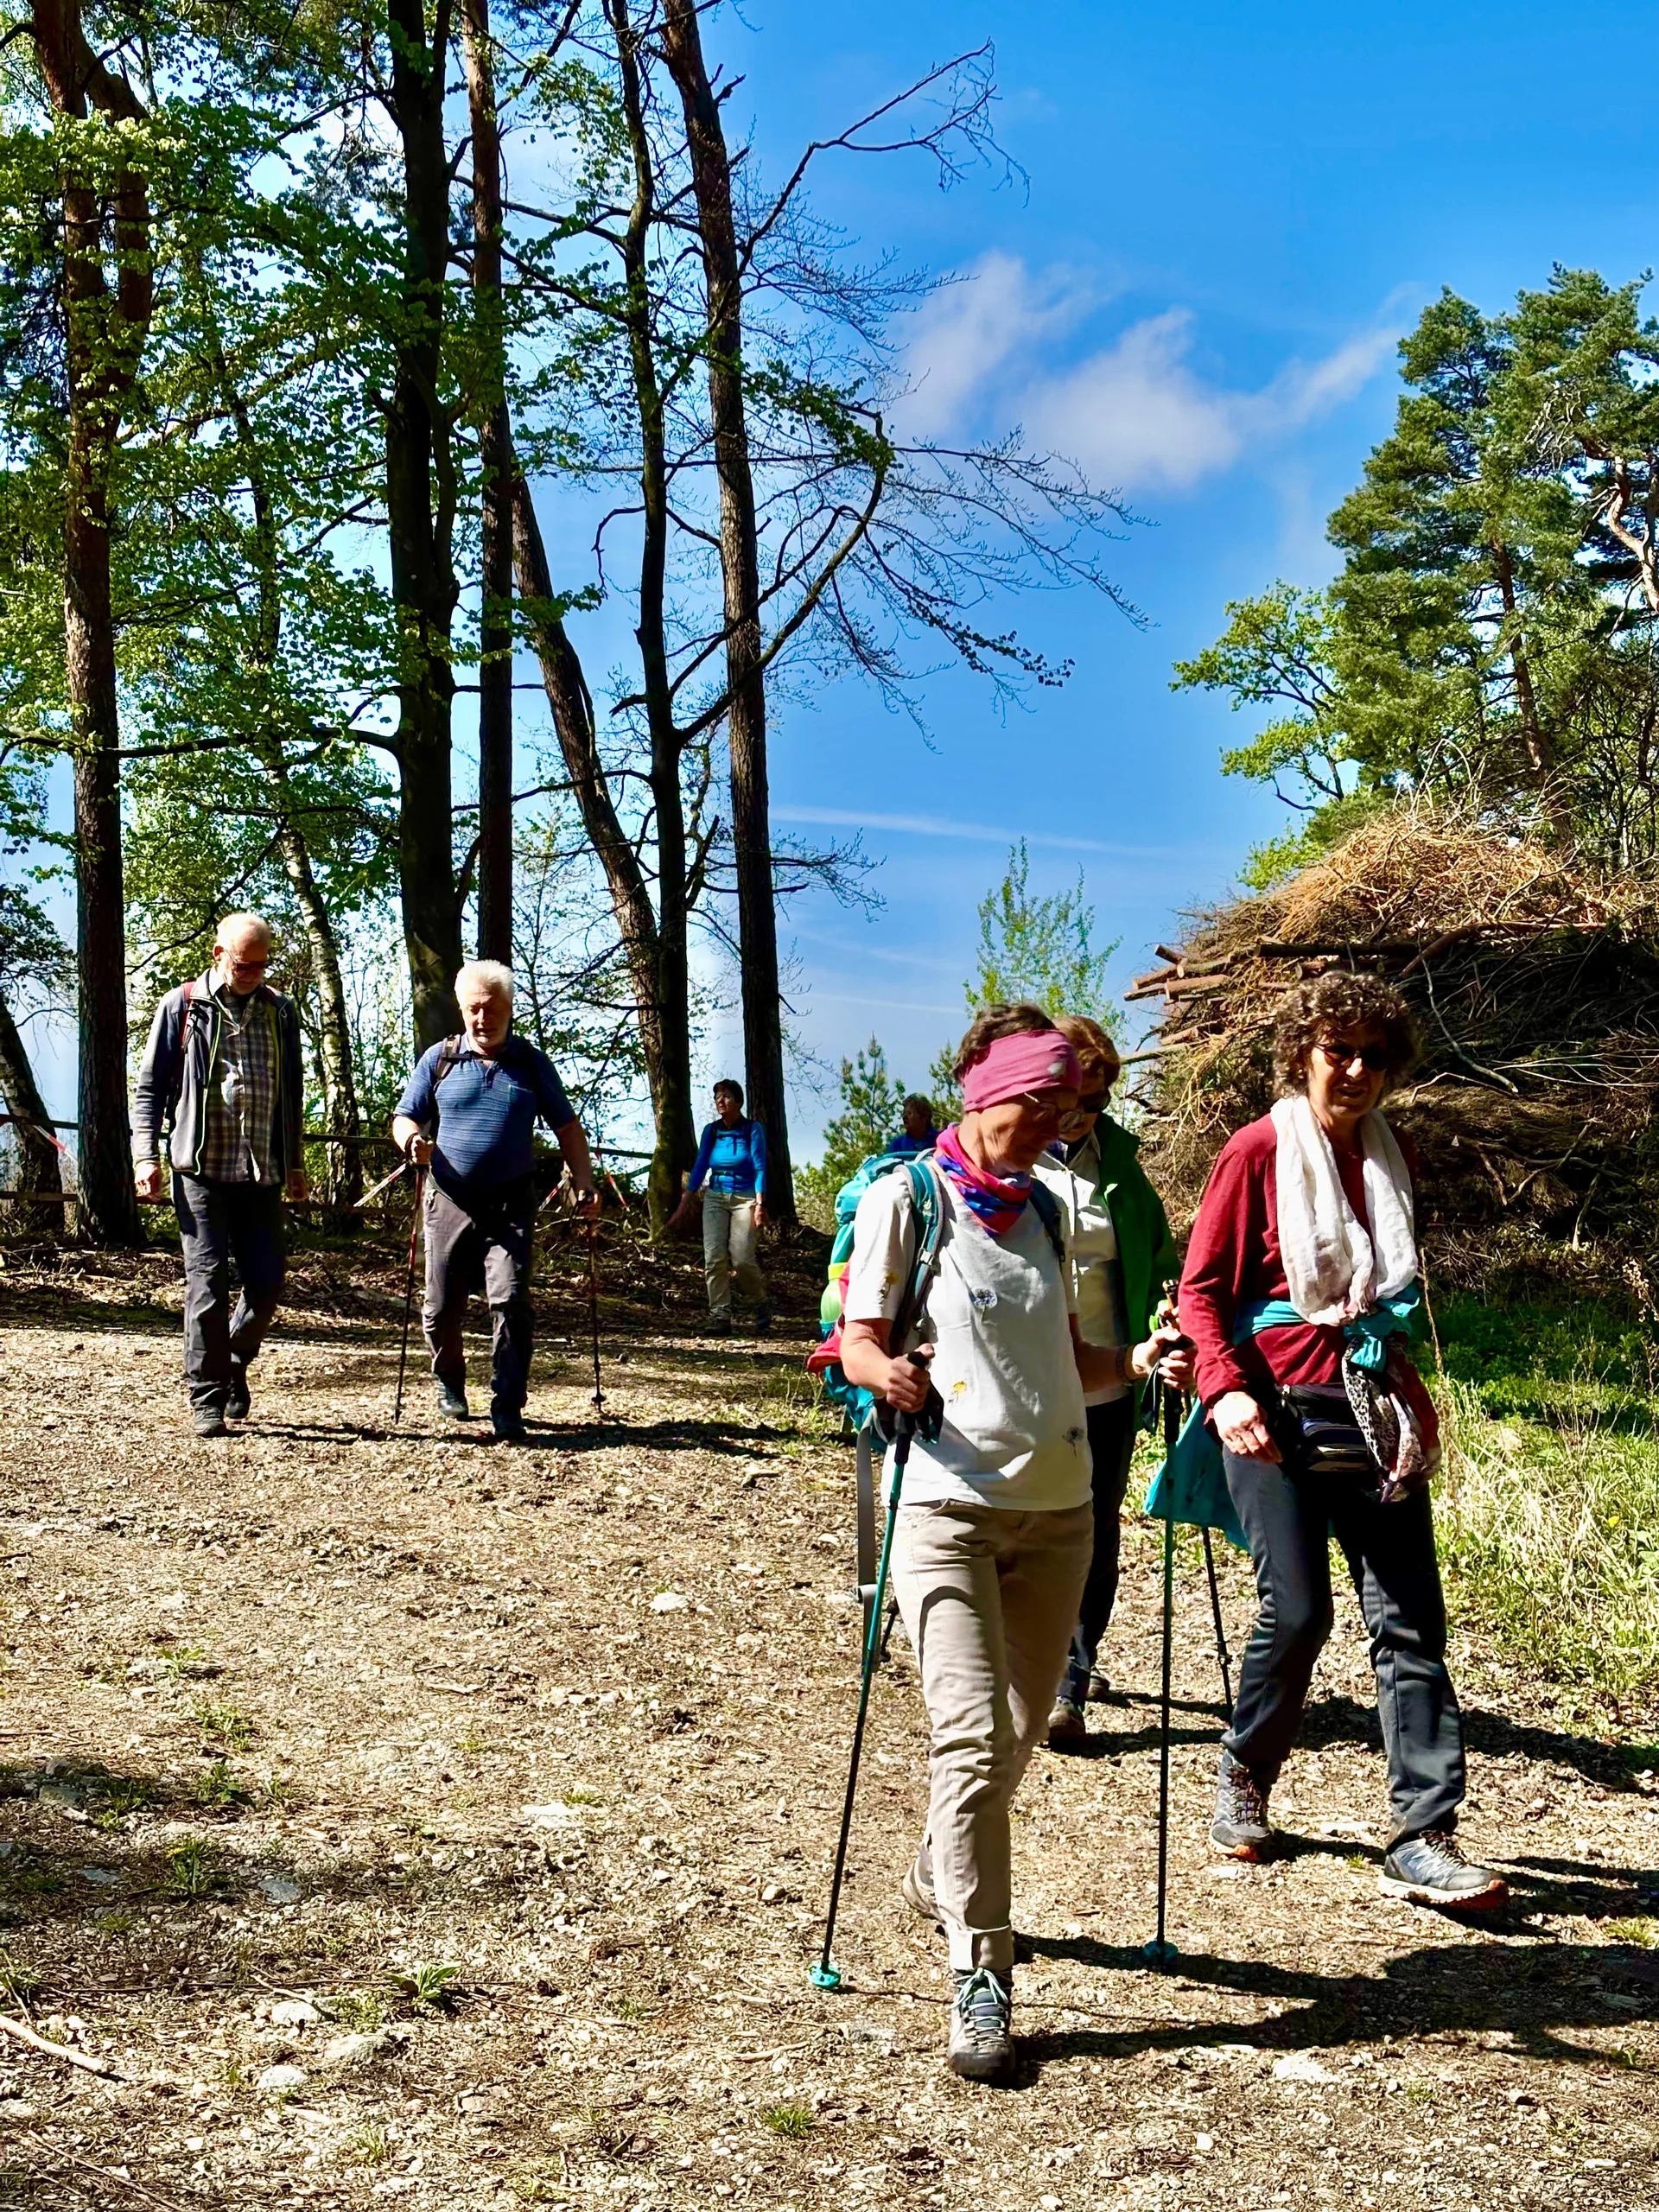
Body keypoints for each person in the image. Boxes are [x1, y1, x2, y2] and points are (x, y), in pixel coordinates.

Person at [839, 1001, 1184, 2083]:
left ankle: (942, 1862)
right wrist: (881, 1370)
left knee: (1024, 1726)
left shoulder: (1045, 1210)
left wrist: (1136, 1361)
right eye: (1043, 1105)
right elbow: (857, 1334)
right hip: (943, 1502)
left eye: (1069, 1110)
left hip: (1061, 1507)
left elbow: (1069, 1358)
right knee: (974, 1736)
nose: (1056, 1126)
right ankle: (980, 1979)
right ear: (993, 1097)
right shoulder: (912, 1197)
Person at [1178, 969, 1507, 1910]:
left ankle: (1425, 1832)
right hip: (1273, 1409)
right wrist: (1225, 1390)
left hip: (1370, 1403)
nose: (1355, 1068)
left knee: (1409, 1620)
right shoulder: (1254, 1152)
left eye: (1373, 1054)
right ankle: (1245, 1771)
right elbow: (1203, 1292)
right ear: (1303, 1054)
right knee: (1300, 1609)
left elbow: (1383, 1290)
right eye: (1338, 1049)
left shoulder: (1387, 1153)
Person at [1033, 1014, 1190, 1748]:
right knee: (1032, 1518)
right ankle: (1028, 1655)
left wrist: (1168, 1311)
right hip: (1024, 1378)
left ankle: (1070, 1674)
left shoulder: (1122, 1170)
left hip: (1111, 1373)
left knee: (1095, 1524)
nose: (1078, 1116)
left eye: (1093, 1102)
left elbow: (1162, 1258)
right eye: (1068, 1098)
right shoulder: (1007, 1160)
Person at [391, 960, 597, 1444]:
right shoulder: (438, 1059)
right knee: (441, 1309)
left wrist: (583, 1183)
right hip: (448, 1200)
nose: (483, 1019)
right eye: (474, 1010)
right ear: (462, 1010)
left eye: (493, 1009)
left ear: (510, 1009)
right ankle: (450, 1381)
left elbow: (567, 1128)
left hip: (510, 1205)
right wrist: (412, 1142)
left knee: (510, 1301)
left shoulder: (529, 1063)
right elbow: (405, 1116)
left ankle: (508, 1404)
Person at [133, 913, 308, 1440]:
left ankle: (232, 1359)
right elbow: (149, 1090)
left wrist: (295, 1162)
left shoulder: (282, 1013)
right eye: (244, 962)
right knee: (207, 1283)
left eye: (263, 963)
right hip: (201, 1169)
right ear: (218, 954)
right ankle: (207, 1396)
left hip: (262, 1172)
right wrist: (147, 1157)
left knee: (268, 1281)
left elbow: (292, 1095)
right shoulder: (183, 1007)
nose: (255, 972)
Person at [685, 1080, 769, 1337]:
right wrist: (687, 1196)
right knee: (714, 1257)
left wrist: (759, 1204)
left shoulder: (752, 1130)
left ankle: (760, 1303)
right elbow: (701, 1165)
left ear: (739, 1102)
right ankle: (720, 1316)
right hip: (715, 1196)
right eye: (718, 1097)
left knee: (742, 1258)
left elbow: (759, 1166)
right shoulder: (711, 1131)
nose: (721, 1101)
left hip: (745, 1198)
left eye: (727, 1096)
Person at [887, 1093, 938, 1157]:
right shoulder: (897, 1145)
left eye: (909, 1113)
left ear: (925, 1117)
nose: (904, 1117)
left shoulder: (940, 1140)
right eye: (904, 1113)